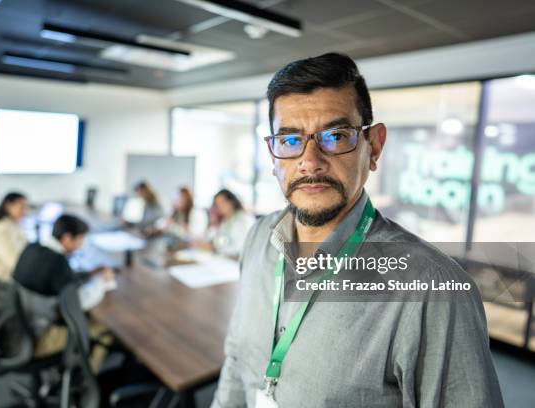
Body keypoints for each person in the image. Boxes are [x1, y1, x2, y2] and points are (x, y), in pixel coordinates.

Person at [212, 53, 503, 407]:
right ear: (273, 157)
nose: (309, 162)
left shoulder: (431, 291)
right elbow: (236, 365)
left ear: (374, 147)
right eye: (289, 141)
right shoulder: (258, 238)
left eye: (335, 136)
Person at [13, 214, 115, 371]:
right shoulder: (57, 262)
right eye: (80, 240)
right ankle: (86, 386)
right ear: (67, 238)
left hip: (18, 329)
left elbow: (58, 280)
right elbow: (81, 302)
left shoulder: (33, 247)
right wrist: (103, 282)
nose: (81, 245)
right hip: (41, 337)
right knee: (104, 332)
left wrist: (89, 274)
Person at [196, 189, 255, 259]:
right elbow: (223, 240)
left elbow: (237, 247)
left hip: (239, 260)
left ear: (232, 202)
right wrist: (212, 244)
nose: (220, 206)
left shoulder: (243, 219)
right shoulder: (226, 220)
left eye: (222, 202)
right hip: (227, 258)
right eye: (217, 204)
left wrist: (214, 248)